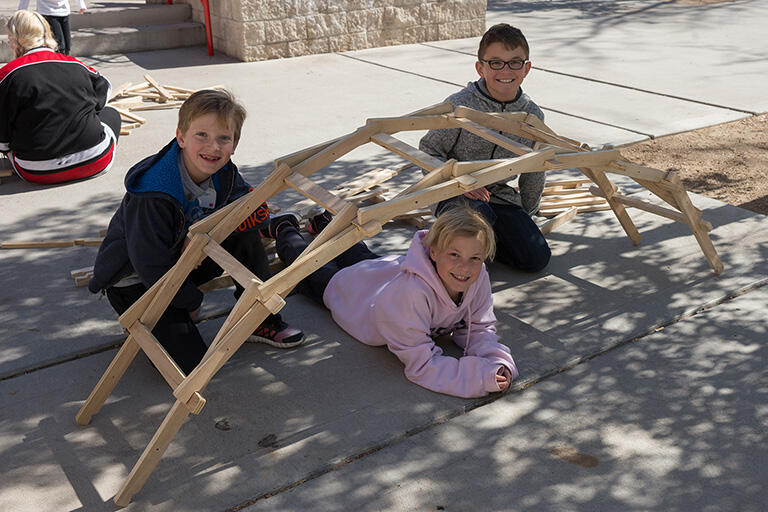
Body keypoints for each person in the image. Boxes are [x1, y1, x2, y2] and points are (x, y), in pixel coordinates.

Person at [88, 89, 305, 374]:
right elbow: (149, 263)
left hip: (184, 262)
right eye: (201, 135)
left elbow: (251, 208)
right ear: (180, 137)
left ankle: (258, 316)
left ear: (234, 143)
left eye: (223, 138)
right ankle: (153, 325)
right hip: (139, 282)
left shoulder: (223, 172)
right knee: (192, 366)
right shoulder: (153, 192)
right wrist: (190, 300)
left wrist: (201, 231)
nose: (213, 147)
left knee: (244, 235)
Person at [267, 205, 518, 398]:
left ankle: (325, 223)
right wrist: (479, 378)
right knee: (307, 267)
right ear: (433, 252)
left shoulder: (476, 275)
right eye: (454, 254)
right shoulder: (410, 296)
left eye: (475, 257)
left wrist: (496, 362)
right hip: (353, 296)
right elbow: (422, 365)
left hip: (384, 270)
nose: (465, 267)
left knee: (358, 252)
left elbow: (479, 328)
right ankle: (285, 227)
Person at [419, 23, 551, 273]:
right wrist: (461, 180)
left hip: (499, 196)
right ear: (480, 67)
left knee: (536, 258)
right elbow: (427, 151)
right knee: (479, 217)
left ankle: (477, 247)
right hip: (453, 191)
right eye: (496, 62)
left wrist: (527, 216)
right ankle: (453, 248)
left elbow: (535, 170)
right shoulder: (460, 105)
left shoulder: (532, 116)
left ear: (527, 68)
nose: (505, 70)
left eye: (515, 62)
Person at [0, 10, 119, 185]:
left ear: (13, 41)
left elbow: (3, 137)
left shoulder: (7, 76)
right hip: (95, 160)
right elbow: (105, 89)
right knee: (111, 114)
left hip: (36, 170)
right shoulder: (75, 64)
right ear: (46, 34)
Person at [17, 0, 86, 56]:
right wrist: (20, 12)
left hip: (64, 12)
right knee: (60, 46)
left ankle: (64, 64)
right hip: (48, 12)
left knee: (68, 46)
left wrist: (81, 5)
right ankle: (58, 66)